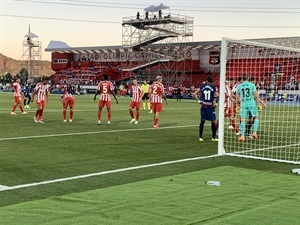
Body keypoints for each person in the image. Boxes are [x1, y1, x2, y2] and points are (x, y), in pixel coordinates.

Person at [193, 76, 219, 141]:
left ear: (207, 80)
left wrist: (198, 101)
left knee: (202, 121)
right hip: (210, 106)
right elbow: (217, 96)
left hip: (204, 105)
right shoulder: (213, 87)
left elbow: (194, 94)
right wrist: (216, 103)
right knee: (213, 121)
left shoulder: (203, 86)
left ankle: (200, 137)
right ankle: (213, 137)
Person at [236, 74, 260, 141]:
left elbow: (237, 97)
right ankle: (254, 132)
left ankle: (242, 136)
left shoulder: (239, 86)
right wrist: (258, 103)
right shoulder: (252, 85)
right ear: (248, 78)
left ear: (242, 79)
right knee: (256, 117)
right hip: (251, 103)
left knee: (243, 119)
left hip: (243, 103)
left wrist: (238, 104)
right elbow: (255, 95)